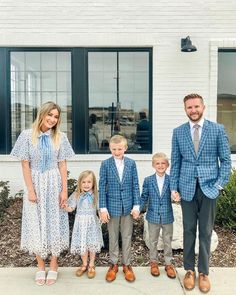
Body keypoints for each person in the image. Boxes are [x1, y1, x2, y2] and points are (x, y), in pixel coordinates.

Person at [170, 93, 231, 293]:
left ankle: (203, 272)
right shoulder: (178, 132)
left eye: (196, 106)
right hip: (186, 188)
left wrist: (219, 185)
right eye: (189, 107)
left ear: (203, 107)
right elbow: (176, 161)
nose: (193, 110)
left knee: (205, 231)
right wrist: (173, 187)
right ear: (185, 109)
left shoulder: (217, 130)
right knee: (188, 231)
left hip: (209, 188)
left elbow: (226, 161)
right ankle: (189, 270)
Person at [10, 101, 75, 286]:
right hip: (35, 183)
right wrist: (30, 190)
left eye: (56, 117)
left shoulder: (60, 137)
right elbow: (25, 164)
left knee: (55, 221)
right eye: (50, 115)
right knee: (35, 222)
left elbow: (62, 164)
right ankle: (40, 266)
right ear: (42, 114)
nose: (53, 119)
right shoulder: (26, 136)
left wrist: (64, 189)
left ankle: (54, 265)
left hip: (54, 183)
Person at [99, 135, 140, 283]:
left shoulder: (131, 164)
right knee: (113, 236)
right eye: (114, 149)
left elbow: (135, 185)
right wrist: (103, 208)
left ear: (125, 148)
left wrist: (137, 206)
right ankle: (113, 264)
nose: (117, 152)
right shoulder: (105, 164)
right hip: (112, 206)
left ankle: (127, 265)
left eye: (119, 149)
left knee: (127, 236)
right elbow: (102, 187)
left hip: (128, 207)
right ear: (110, 148)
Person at [140, 153, 176, 279]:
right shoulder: (148, 180)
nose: (160, 165)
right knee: (153, 241)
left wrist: (177, 197)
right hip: (153, 216)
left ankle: (168, 263)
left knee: (167, 241)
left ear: (167, 165)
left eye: (163, 163)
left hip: (167, 216)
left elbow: (176, 195)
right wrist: (138, 209)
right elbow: (144, 196)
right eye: (157, 163)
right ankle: (153, 262)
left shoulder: (172, 179)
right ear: (153, 165)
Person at [63, 170, 103, 279]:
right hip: (80, 223)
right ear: (80, 183)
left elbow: (100, 209)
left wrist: (102, 216)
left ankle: (91, 264)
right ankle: (84, 264)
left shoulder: (96, 195)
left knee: (91, 243)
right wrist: (65, 207)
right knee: (82, 243)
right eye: (83, 182)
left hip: (92, 223)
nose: (86, 184)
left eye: (89, 182)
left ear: (93, 183)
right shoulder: (76, 195)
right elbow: (71, 208)